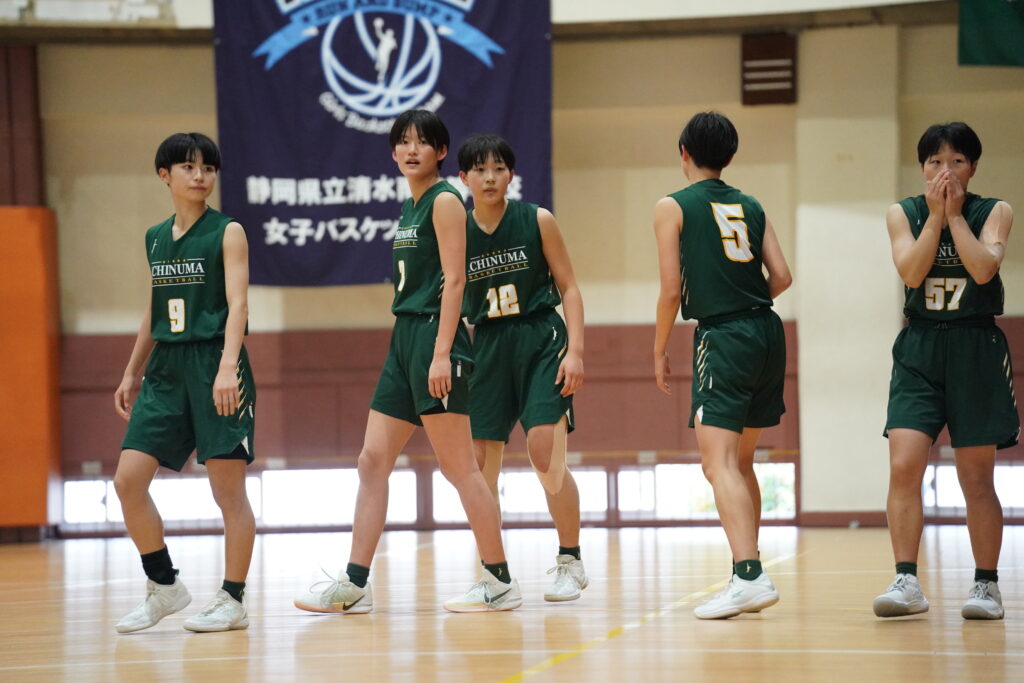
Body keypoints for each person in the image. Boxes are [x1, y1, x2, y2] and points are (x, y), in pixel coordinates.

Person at [294, 110, 521, 614]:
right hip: (403, 339)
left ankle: (499, 580)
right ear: (393, 151)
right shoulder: (409, 205)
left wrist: (441, 352)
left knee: (460, 468)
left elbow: (456, 281)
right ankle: (355, 583)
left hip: (434, 339)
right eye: (404, 141)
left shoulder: (445, 201)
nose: (412, 149)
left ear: (441, 152)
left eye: (423, 141)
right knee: (371, 461)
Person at [113, 132, 256, 633]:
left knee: (228, 492)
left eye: (208, 168)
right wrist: (132, 370)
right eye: (189, 167)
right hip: (166, 369)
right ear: (165, 175)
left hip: (215, 361)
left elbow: (238, 303)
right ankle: (165, 585)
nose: (200, 176)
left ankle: (232, 599)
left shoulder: (228, 231)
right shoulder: (155, 237)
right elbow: (154, 308)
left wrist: (228, 365)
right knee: (128, 481)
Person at [652, 111, 792, 620]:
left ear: (684, 153)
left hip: (724, 336)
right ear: (730, 156)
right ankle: (744, 572)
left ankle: (749, 575)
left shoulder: (671, 206)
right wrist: (747, 300)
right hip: (767, 332)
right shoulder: (752, 204)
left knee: (717, 464)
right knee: (741, 462)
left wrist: (658, 348)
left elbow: (671, 290)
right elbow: (782, 276)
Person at [875, 122, 1016, 620]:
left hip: (975, 346)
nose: (945, 171)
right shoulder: (903, 213)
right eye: (935, 162)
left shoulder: (994, 210)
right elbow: (912, 272)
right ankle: (907, 580)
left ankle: (986, 585)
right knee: (903, 465)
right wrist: (935, 218)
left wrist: (954, 216)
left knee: (975, 477)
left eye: (956, 161)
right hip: (919, 347)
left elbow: (983, 268)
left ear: (972, 167)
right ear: (922, 168)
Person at [457, 134, 588, 602]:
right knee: (478, 469)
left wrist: (576, 351)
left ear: (511, 175)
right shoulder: (457, 231)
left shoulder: (537, 219)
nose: (490, 177)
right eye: (479, 169)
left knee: (545, 455)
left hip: (540, 338)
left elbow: (569, 287)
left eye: (498, 168)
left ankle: (570, 560)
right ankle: (494, 577)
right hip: (487, 345)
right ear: (464, 178)